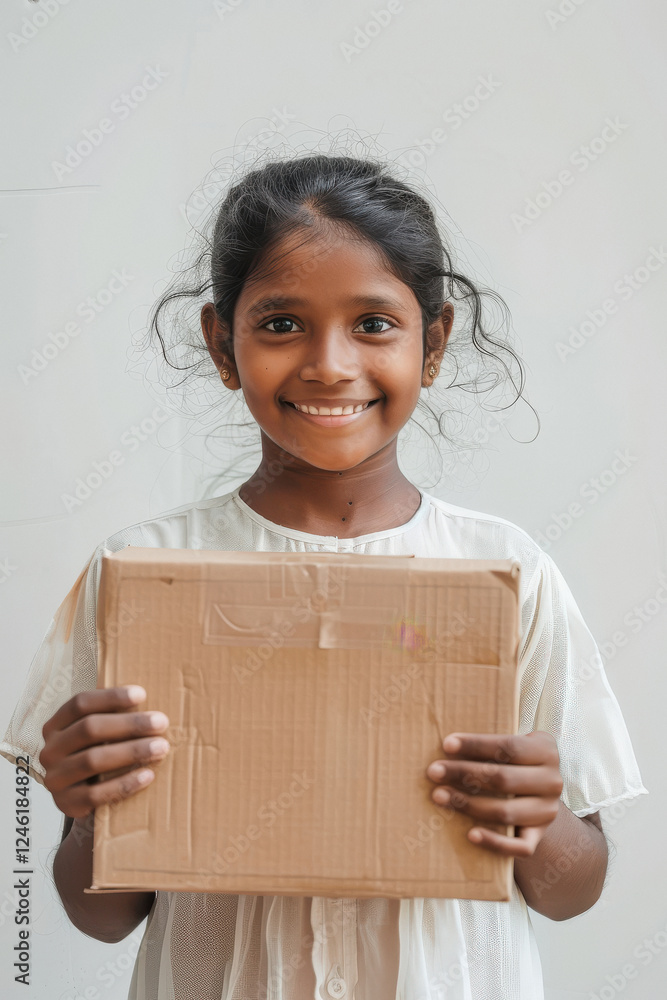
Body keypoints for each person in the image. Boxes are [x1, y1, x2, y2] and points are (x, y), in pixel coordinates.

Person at [0, 152, 648, 1000]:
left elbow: (574, 889)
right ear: (220, 344)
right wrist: (89, 810)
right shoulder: (141, 577)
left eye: (373, 324)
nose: (328, 365)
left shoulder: (508, 574)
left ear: (435, 342)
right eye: (280, 325)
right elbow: (102, 913)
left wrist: (541, 820)